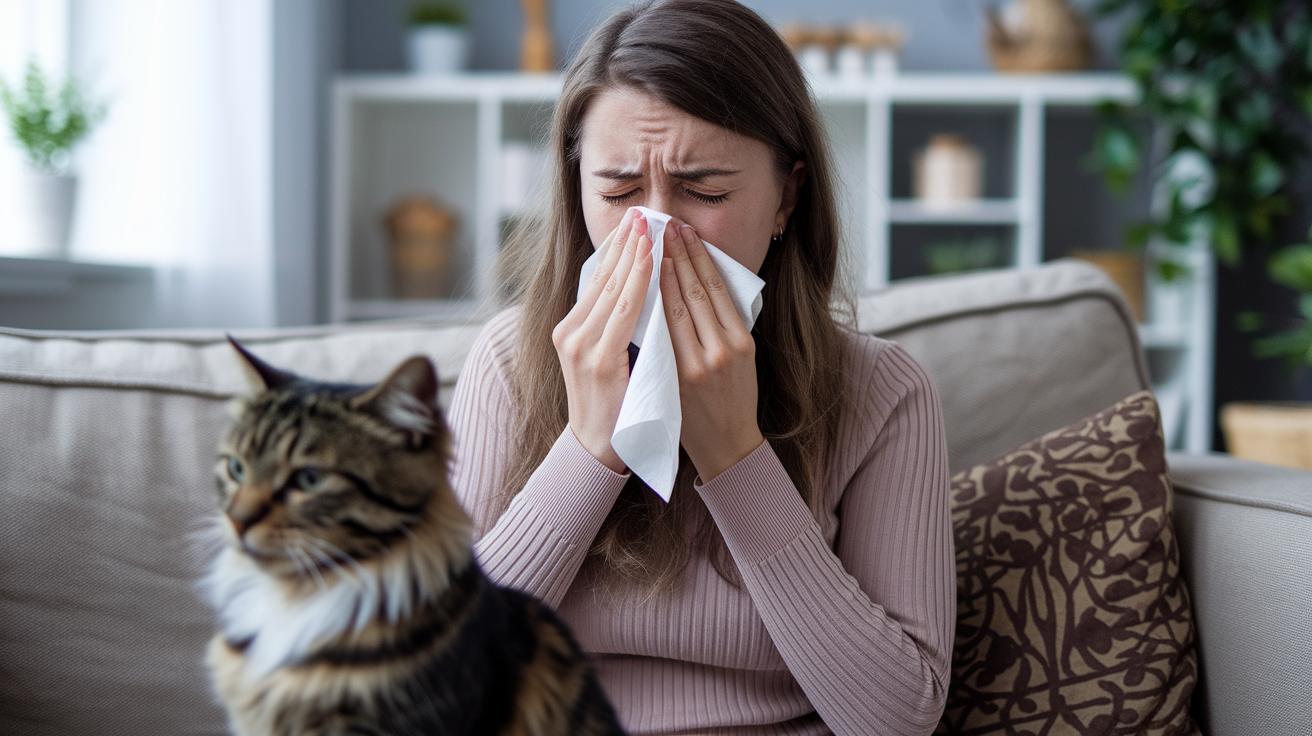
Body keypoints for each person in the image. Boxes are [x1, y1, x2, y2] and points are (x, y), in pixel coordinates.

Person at [447, 1, 955, 733]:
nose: (656, 232)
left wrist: (734, 453)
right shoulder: (509, 366)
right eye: (619, 192)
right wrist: (589, 449)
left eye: (705, 192)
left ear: (787, 196)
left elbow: (896, 720)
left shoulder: (880, 392)